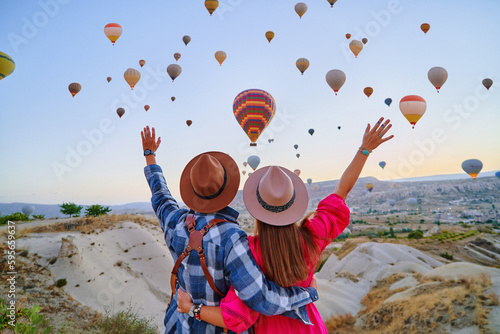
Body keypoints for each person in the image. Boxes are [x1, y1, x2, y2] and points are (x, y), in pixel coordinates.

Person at [177, 118, 394, 333]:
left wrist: (192, 308)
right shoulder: (314, 235)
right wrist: (364, 150)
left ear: (257, 211)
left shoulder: (248, 250)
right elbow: (341, 192)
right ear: (294, 206)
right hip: (308, 327)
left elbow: (234, 318)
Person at [141, 126, 320, 334]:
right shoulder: (232, 237)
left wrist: (149, 155)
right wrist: (308, 294)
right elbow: (261, 298)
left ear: (192, 190)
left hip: (180, 326)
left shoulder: (174, 221)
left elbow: (160, 195)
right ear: (227, 188)